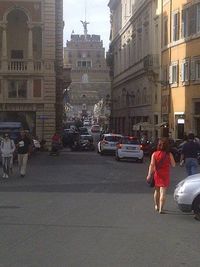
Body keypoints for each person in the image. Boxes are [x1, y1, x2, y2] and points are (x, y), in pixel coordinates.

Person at [146, 138, 176, 214]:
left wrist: (149, 175)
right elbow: (173, 165)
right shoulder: (169, 154)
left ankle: (156, 206)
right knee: (163, 192)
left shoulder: (154, 154)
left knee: (156, 191)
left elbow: (152, 165)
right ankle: (161, 209)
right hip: (165, 175)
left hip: (157, 174)